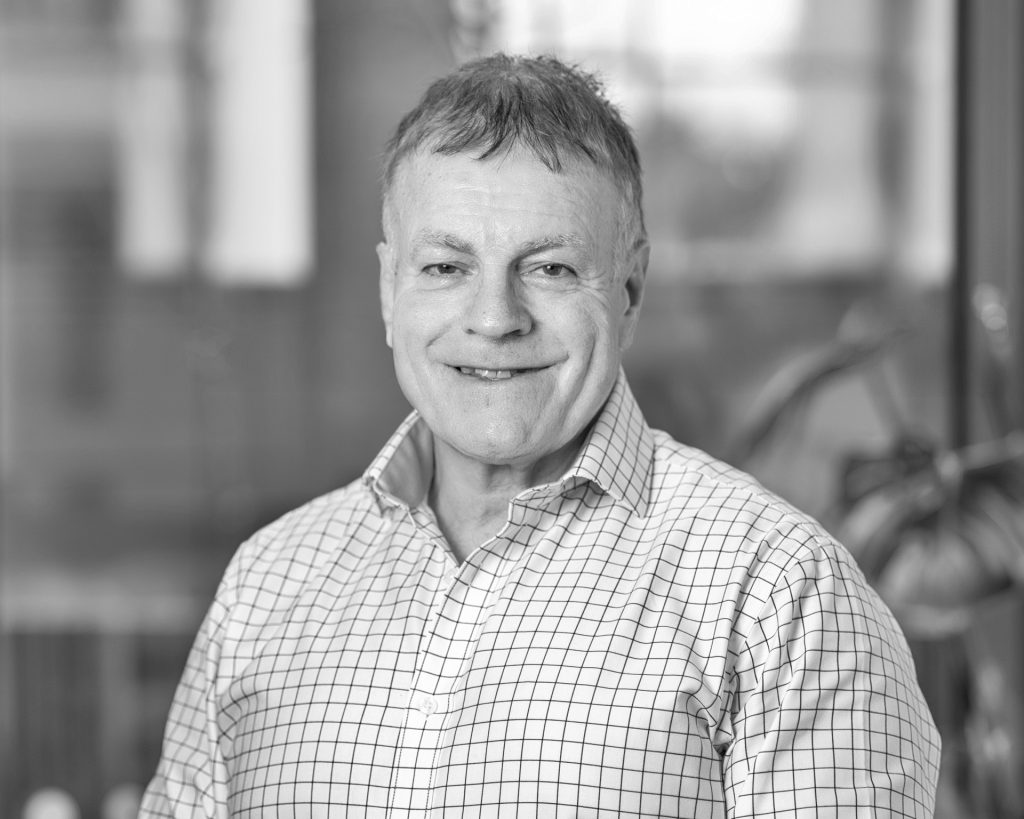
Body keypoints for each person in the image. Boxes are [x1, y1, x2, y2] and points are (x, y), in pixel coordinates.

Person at [141, 54, 940, 817]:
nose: (495, 318)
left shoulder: (776, 594)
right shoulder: (266, 585)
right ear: (389, 289)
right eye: (445, 267)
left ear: (629, 287)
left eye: (550, 268)